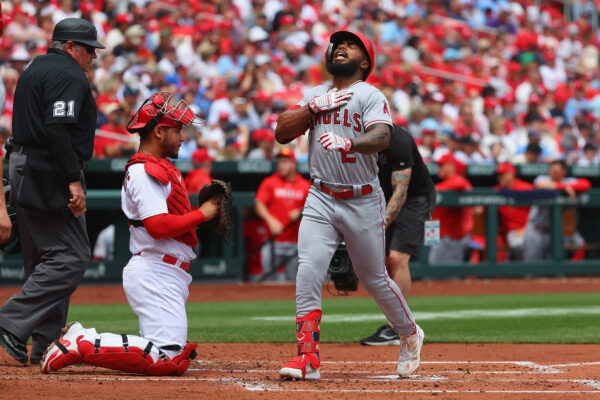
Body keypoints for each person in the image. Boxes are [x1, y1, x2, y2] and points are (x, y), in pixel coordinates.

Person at [275, 31, 423, 380]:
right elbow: (282, 131)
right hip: (321, 196)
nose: (341, 47)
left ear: (365, 62)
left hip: (362, 198)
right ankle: (307, 357)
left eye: (352, 45)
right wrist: (310, 108)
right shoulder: (315, 94)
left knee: (373, 278)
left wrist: (350, 143)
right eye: (338, 44)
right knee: (309, 271)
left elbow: (382, 136)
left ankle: (409, 332)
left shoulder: (369, 94)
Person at [40, 92, 221, 376]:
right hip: (155, 270)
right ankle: (83, 341)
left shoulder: (161, 167)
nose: (183, 137)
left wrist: (198, 215)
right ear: (159, 131)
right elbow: (158, 226)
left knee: (170, 355)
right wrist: (203, 214)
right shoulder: (145, 171)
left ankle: (83, 340)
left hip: (165, 271)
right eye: (178, 130)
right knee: (166, 359)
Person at [0, 18, 104, 366]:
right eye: (89, 49)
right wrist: (72, 178)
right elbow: (58, 128)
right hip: (49, 169)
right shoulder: (67, 73)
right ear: (70, 46)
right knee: (71, 256)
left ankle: (45, 342)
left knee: (43, 258)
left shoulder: (36, 67)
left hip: (25, 163)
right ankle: (10, 321)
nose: (93, 56)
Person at [360, 125, 436, 346]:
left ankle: (397, 328)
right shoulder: (359, 138)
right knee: (385, 262)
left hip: (415, 199)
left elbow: (401, 192)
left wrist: (378, 226)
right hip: (382, 196)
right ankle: (396, 323)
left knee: (397, 257)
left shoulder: (399, 140)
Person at [254, 148, 310, 281]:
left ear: (294, 164)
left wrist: (301, 212)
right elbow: (259, 204)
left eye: (285, 162)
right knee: (269, 280)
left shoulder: (305, 185)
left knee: (294, 281)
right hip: (273, 240)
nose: (281, 165)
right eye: (279, 162)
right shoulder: (270, 182)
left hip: (295, 242)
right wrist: (271, 220)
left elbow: (314, 208)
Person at [523, 159, 591, 261]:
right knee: (531, 267)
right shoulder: (542, 178)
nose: (553, 172)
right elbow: (540, 184)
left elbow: (586, 184)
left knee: (555, 269)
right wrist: (563, 187)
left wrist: (565, 185)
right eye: (551, 169)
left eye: (556, 170)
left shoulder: (568, 181)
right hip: (537, 230)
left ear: (564, 172)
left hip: (556, 233)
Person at [428, 153, 474, 264]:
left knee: (438, 273)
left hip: (450, 236)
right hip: (434, 230)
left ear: (451, 166)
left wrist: (435, 189)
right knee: (430, 267)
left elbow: (462, 184)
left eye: (442, 165)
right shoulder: (445, 183)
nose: (439, 168)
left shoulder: (457, 181)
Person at [494, 162, 533, 261]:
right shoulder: (496, 191)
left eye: (503, 174)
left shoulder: (526, 188)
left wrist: (526, 229)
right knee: (518, 244)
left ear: (512, 174)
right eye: (499, 175)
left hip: (530, 229)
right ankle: (525, 274)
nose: (500, 177)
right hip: (513, 231)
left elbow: (538, 212)